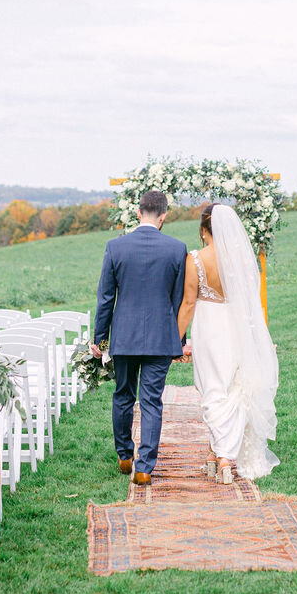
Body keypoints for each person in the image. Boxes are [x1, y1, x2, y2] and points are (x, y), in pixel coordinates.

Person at [176, 203, 279, 484]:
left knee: (212, 390)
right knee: (232, 388)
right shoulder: (243, 261)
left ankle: (222, 458)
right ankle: (213, 454)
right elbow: (251, 303)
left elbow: (187, 304)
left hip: (209, 329)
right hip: (237, 328)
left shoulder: (195, 259)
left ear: (203, 229)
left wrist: (175, 340)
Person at [91, 190, 188, 486]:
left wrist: (100, 338)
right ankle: (144, 467)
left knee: (123, 395)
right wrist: (180, 339)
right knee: (151, 401)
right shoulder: (177, 248)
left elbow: (106, 298)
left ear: (137, 213)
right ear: (163, 216)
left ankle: (124, 455)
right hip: (161, 337)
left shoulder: (115, 247)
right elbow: (179, 300)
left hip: (125, 336)